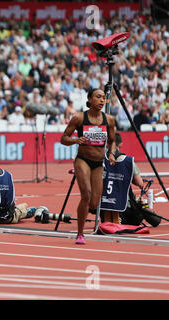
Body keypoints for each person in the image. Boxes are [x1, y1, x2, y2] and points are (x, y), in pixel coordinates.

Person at [60, 88, 116, 244]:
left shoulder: (109, 120)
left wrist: (111, 153)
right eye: (98, 97)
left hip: (99, 163)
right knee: (86, 194)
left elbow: (112, 141)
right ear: (90, 99)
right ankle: (80, 234)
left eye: (103, 98)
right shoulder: (79, 118)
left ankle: (84, 217)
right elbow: (63, 138)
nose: (101, 100)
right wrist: (75, 140)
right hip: (83, 159)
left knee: (94, 202)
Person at [100, 133, 144, 224]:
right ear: (120, 144)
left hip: (103, 205)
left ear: (107, 144)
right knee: (140, 212)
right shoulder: (128, 161)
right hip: (123, 207)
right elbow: (140, 183)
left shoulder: (100, 160)